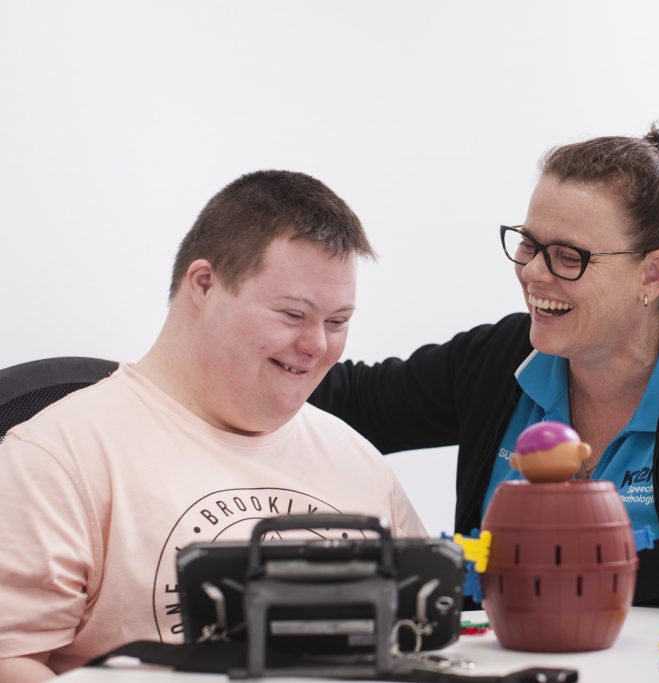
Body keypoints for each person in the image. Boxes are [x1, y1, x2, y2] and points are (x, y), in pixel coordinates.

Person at [309, 127, 659, 614]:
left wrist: (563, 576)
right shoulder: (500, 359)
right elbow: (346, 402)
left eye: (568, 257)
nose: (533, 274)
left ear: (652, 275)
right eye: (528, 244)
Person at [0, 171, 426, 681]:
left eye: (337, 322)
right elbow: (10, 658)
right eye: (293, 314)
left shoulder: (356, 460)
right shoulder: (58, 457)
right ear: (204, 284)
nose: (317, 345)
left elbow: (419, 635)